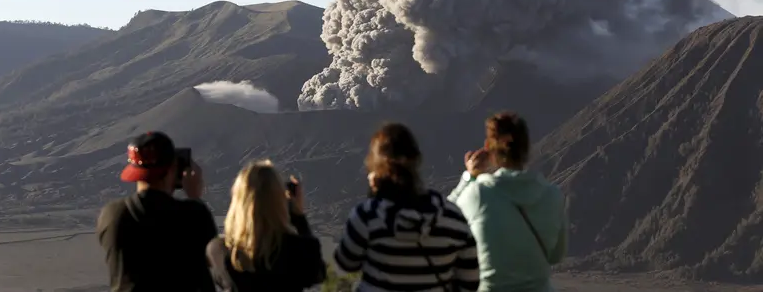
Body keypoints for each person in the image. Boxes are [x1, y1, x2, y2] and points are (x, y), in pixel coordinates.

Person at [334, 122, 480, 292]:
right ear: (417, 161)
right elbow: (471, 281)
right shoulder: (451, 216)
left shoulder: (367, 216)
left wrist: (374, 198)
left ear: (375, 166)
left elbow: (346, 263)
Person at [448, 112, 568, 292]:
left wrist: (469, 176)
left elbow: (444, 217)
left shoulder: (479, 194)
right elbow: (556, 255)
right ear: (527, 148)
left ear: (488, 147)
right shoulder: (553, 195)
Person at [96, 131, 218, 292]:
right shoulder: (193, 215)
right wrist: (194, 197)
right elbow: (212, 259)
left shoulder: (111, 214)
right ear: (172, 168)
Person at [206, 159, 326, 292]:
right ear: (279, 202)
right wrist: (298, 216)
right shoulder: (299, 250)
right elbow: (317, 274)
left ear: (238, 201)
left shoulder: (220, 251)